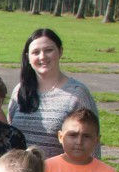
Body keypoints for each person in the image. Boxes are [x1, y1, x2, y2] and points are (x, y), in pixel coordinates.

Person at [7, 28, 99, 159]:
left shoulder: (77, 94)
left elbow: (92, 141)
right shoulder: (19, 91)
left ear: (60, 52)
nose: (42, 56)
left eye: (48, 50)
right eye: (36, 52)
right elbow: (8, 133)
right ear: (28, 57)